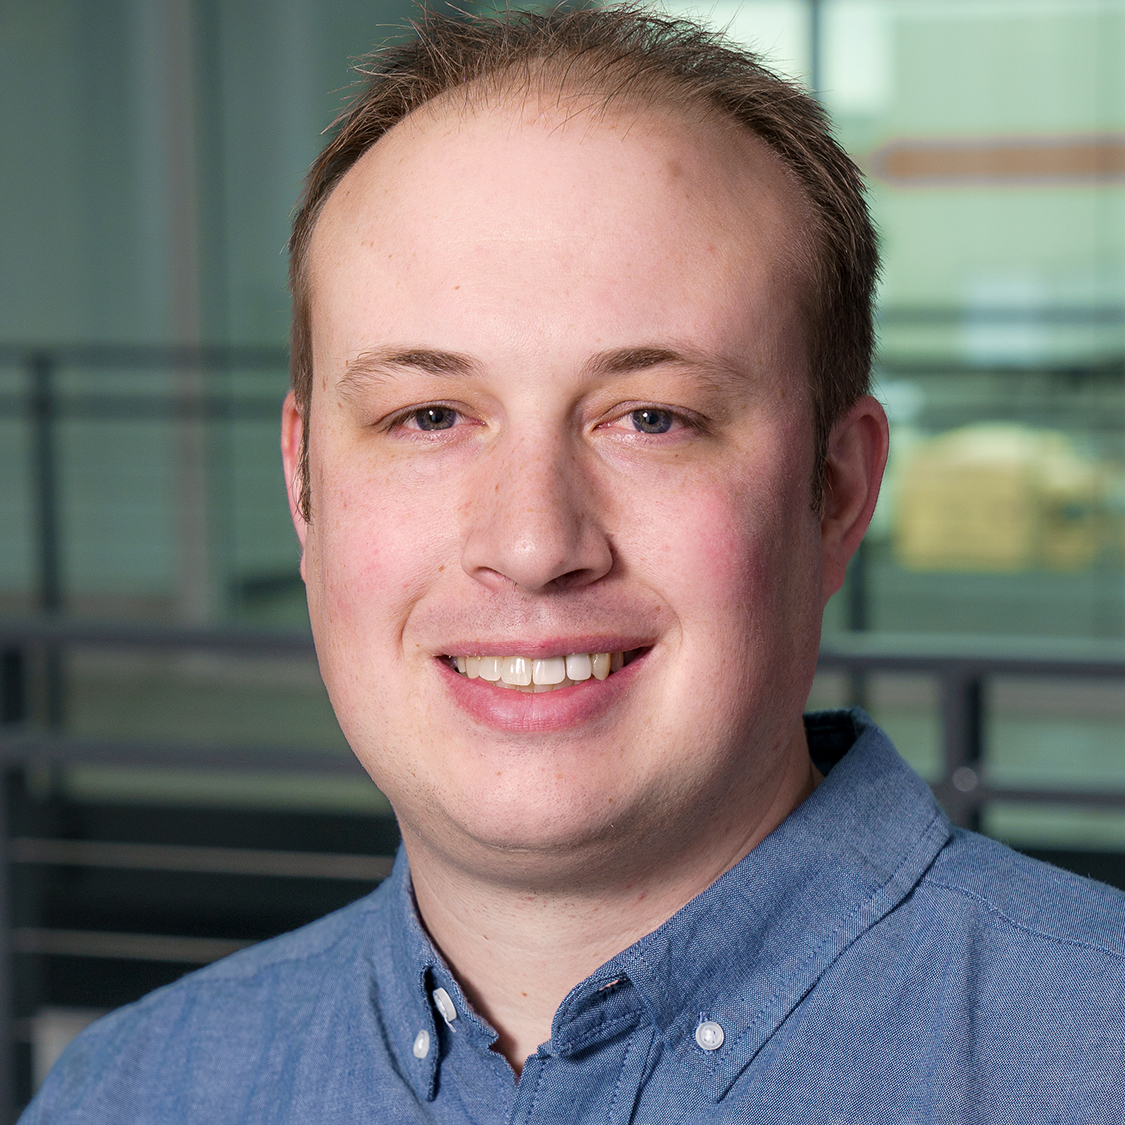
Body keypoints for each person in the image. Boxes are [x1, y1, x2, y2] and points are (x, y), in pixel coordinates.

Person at [23, 6, 1125, 1122]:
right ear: (304, 485)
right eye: (429, 415)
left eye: (651, 417)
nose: (533, 543)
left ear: (835, 492)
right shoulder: (130, 1092)